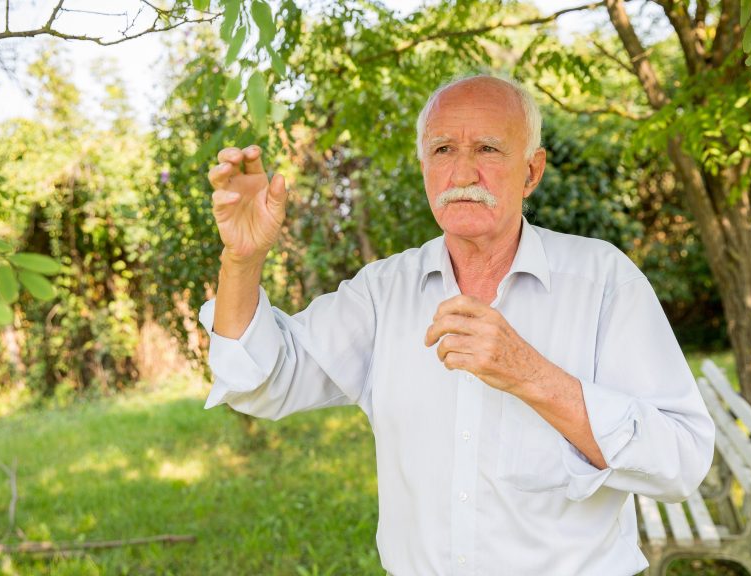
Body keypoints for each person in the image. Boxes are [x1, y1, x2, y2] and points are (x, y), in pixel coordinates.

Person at [200, 74, 715, 575]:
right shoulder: (383, 291)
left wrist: (530, 374)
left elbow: (682, 460)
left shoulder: (603, 280)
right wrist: (241, 261)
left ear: (532, 172)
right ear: (424, 166)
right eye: (443, 150)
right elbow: (262, 382)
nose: (463, 174)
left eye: (488, 149)